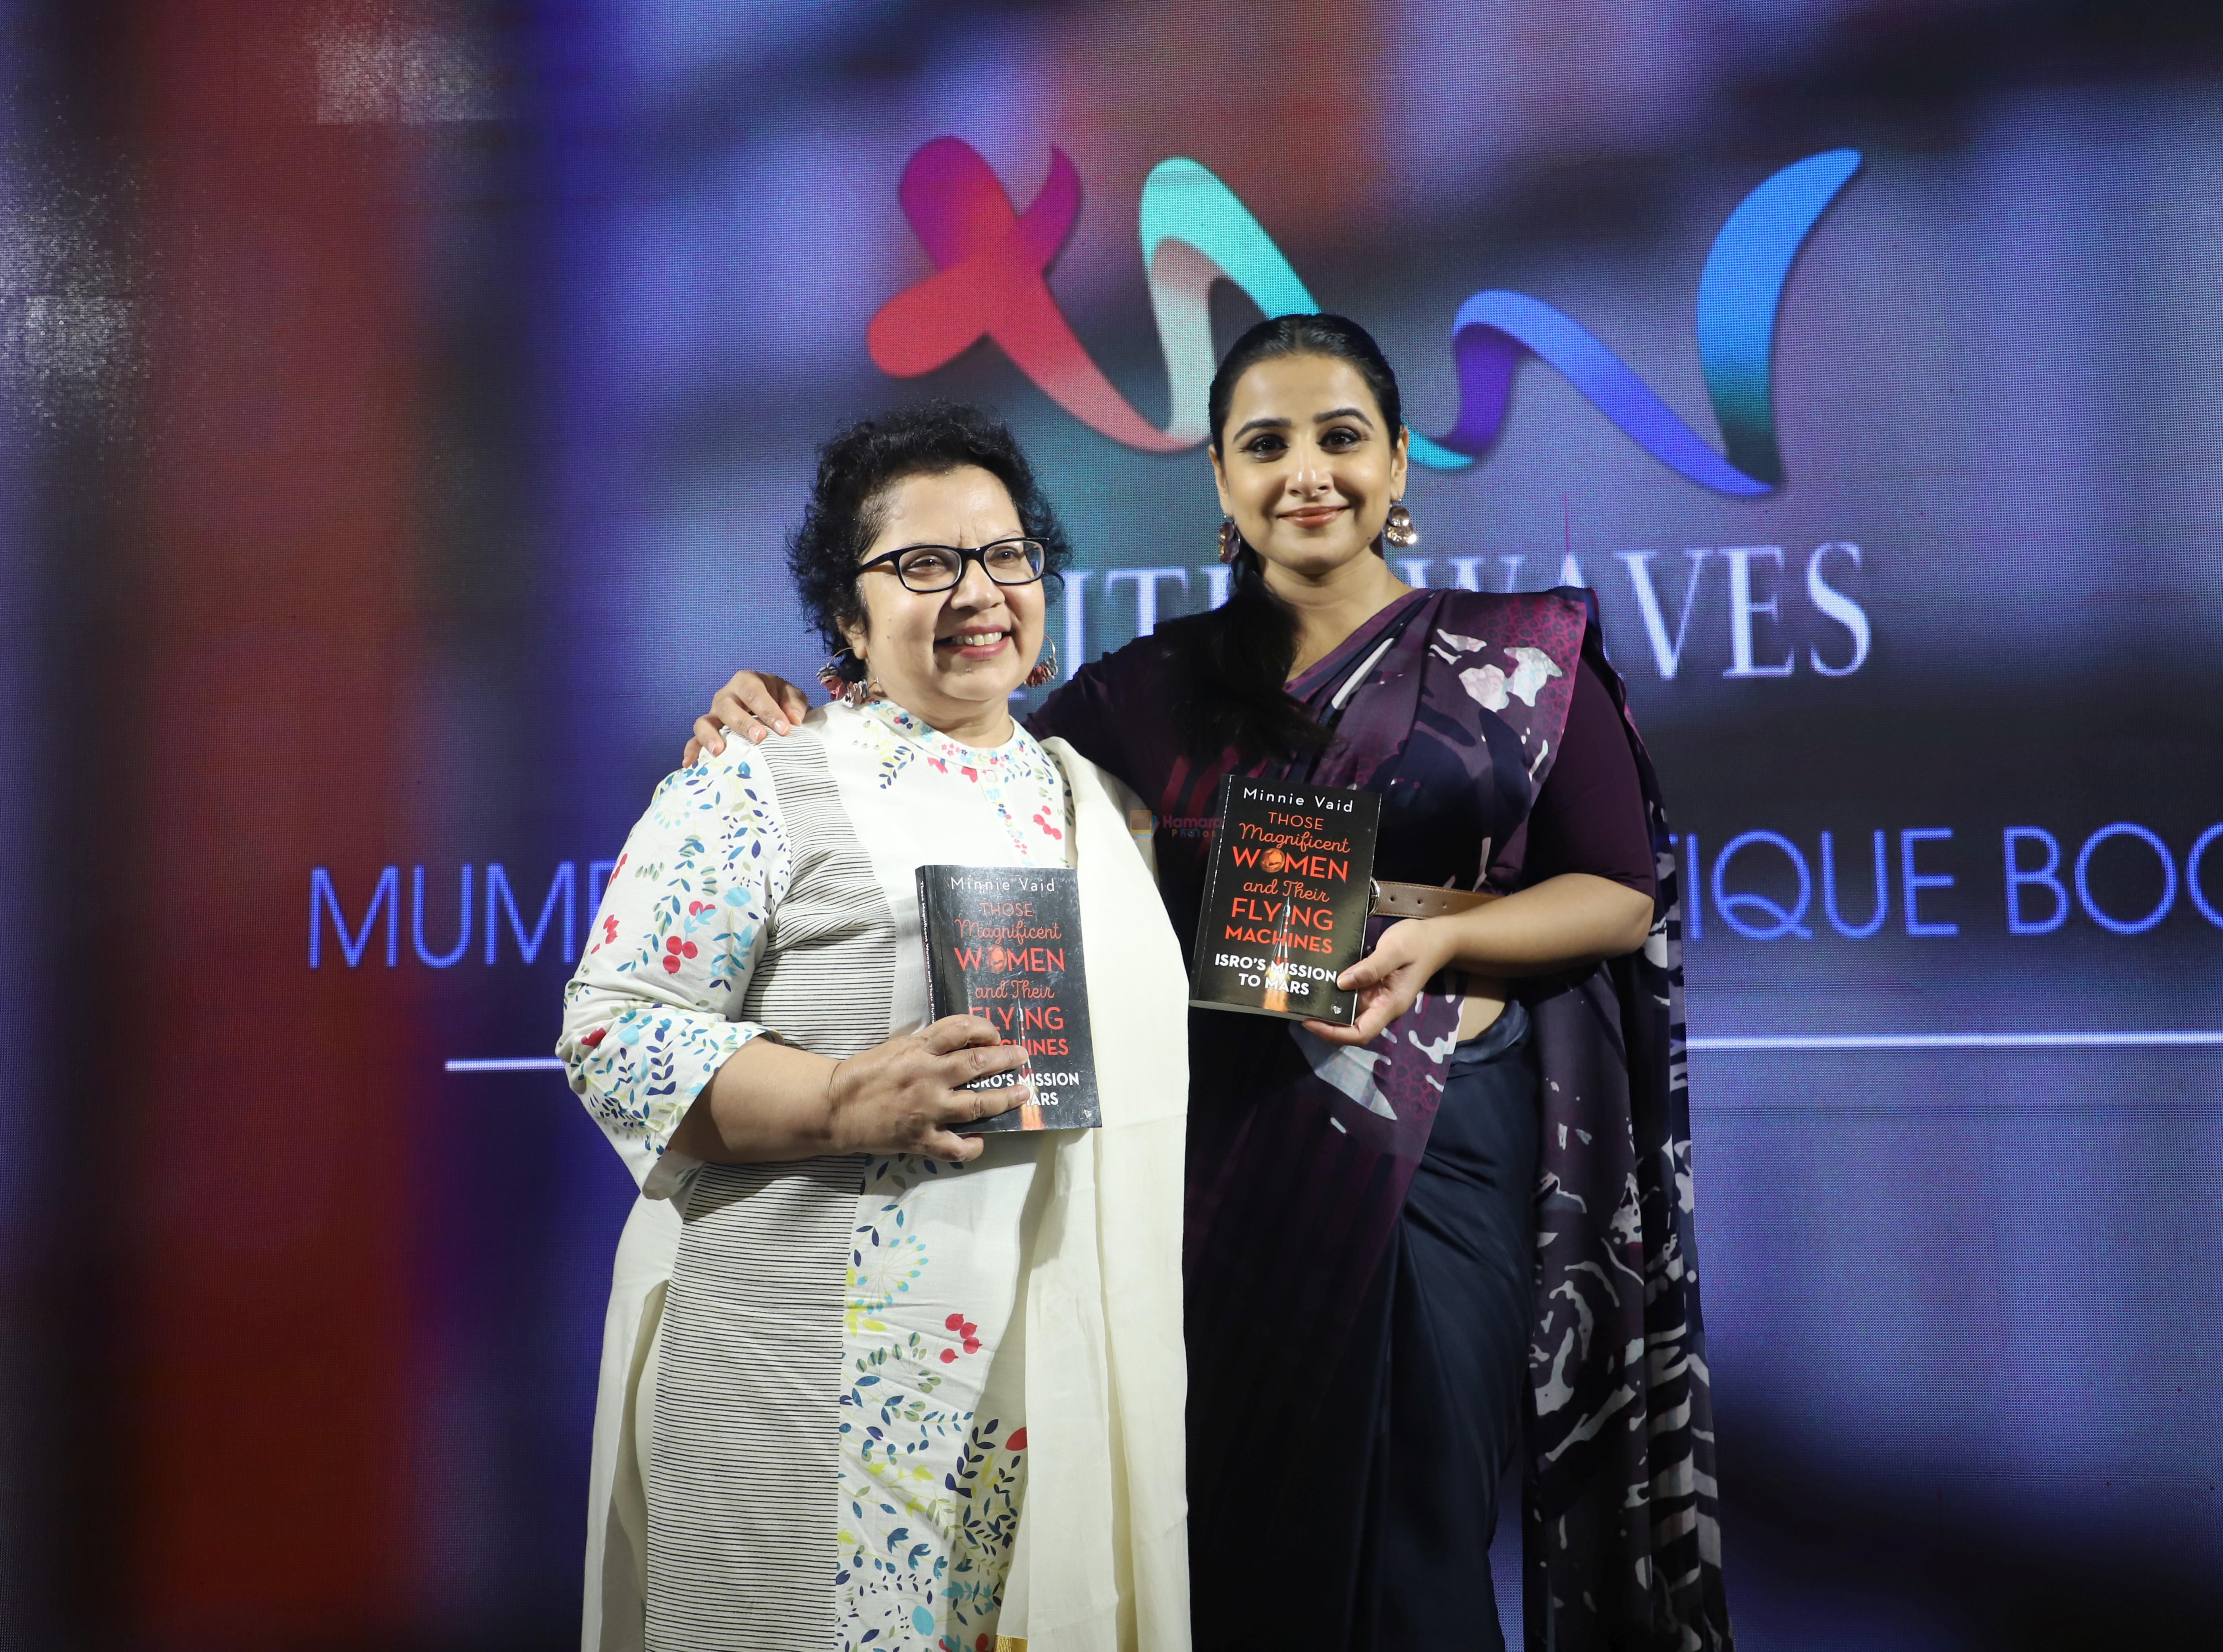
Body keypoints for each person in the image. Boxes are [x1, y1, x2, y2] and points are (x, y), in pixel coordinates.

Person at [689, 316, 1725, 1652]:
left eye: (1342, 438)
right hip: (1214, 1149)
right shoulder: (1154, 687)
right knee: (1227, 1540)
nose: (1310, 472)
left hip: (1441, 1139)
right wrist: (780, 706)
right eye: (1266, 444)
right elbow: (960, 754)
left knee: (1417, 1526)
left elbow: (1619, 887)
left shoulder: (1521, 656)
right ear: (1223, 487)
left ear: (1399, 465)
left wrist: (1447, 942)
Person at [562, 403, 1191, 1652]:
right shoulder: (757, 780)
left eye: (1007, 556)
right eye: (923, 564)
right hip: (792, 1380)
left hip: (1039, 1390)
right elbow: (613, 1030)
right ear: (847, 615)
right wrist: (846, 1097)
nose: (977, 590)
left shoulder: (1101, 810)